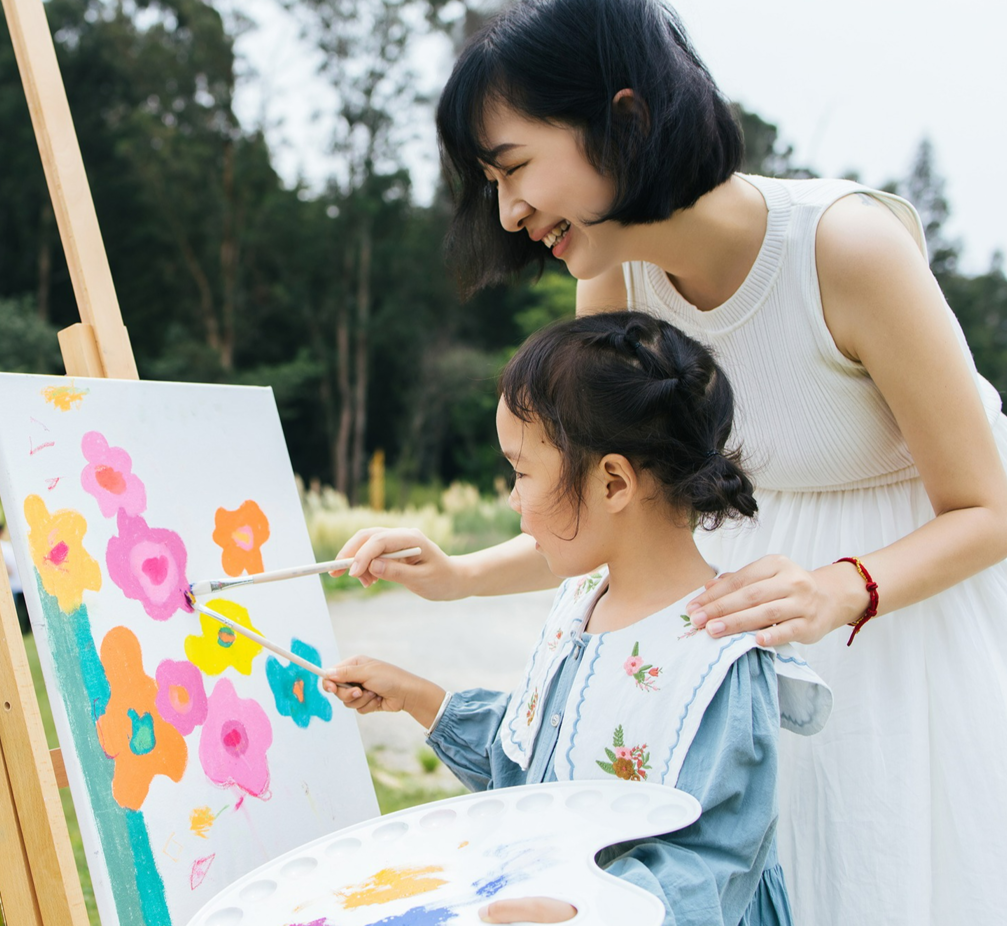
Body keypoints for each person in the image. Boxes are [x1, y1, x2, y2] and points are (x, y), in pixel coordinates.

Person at [335, 0, 1007, 921]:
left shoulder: (848, 247)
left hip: (909, 592)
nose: (508, 213)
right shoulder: (611, 271)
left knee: (893, 874)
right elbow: (607, 500)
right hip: (759, 591)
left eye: (514, 169)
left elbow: (986, 513)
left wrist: (839, 589)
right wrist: (460, 574)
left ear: (622, 119)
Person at [326, 311, 831, 925]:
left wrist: (585, 909)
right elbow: (536, 768)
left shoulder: (721, 654)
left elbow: (715, 862)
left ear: (613, 483)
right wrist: (416, 697)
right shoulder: (582, 598)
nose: (512, 497)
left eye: (521, 472)